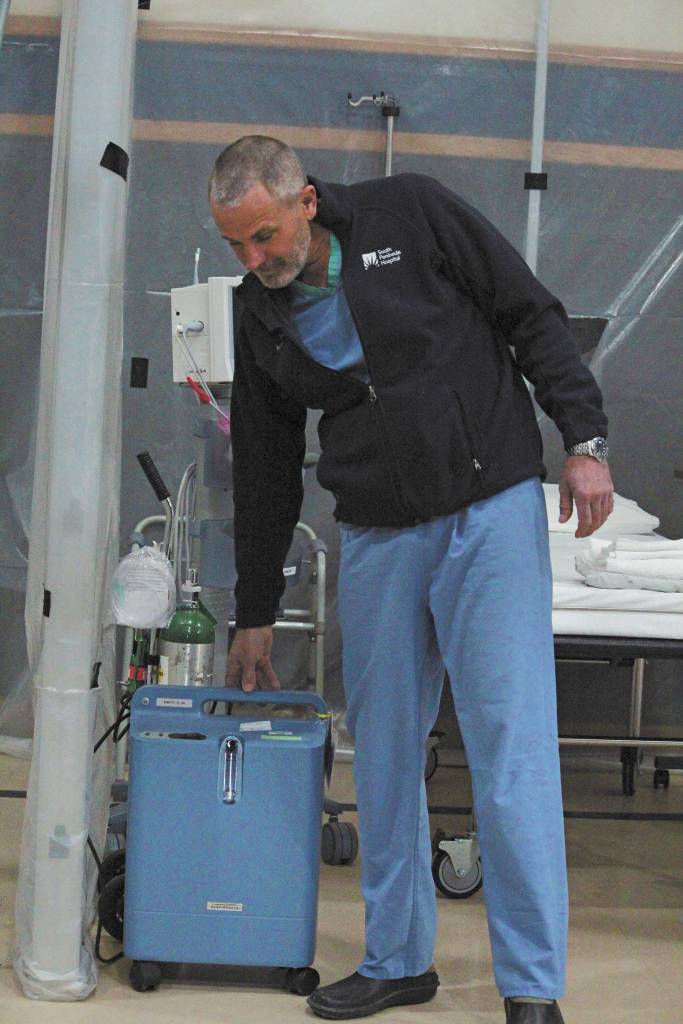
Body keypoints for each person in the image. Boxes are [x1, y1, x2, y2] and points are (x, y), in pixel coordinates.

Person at [208, 136, 614, 1024]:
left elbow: (527, 311)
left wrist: (583, 440)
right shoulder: (257, 310)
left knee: (509, 755)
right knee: (382, 756)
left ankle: (531, 983)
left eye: (263, 237)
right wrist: (254, 612)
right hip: (379, 536)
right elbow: (268, 468)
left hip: (490, 511)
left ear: (305, 201)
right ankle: (397, 959)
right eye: (235, 244)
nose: (252, 260)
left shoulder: (410, 211)